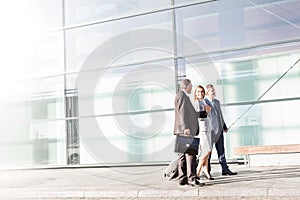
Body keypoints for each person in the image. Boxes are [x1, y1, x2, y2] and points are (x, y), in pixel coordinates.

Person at [174, 79, 204, 187]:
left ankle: (182, 179)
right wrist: (185, 127)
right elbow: (182, 113)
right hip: (185, 130)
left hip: (181, 130)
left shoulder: (182, 96)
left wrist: (203, 113)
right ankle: (192, 179)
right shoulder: (182, 96)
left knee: (182, 155)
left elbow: (190, 114)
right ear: (187, 86)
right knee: (190, 154)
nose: (192, 88)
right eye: (191, 86)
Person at [204, 84, 237, 176]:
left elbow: (220, 116)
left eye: (214, 91)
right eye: (212, 91)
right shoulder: (204, 102)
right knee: (208, 153)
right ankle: (207, 171)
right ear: (207, 93)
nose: (214, 92)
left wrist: (224, 127)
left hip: (219, 131)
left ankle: (225, 169)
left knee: (221, 151)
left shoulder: (217, 102)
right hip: (210, 132)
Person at [193, 85, 214, 180]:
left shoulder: (204, 101)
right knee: (207, 150)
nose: (200, 93)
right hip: (202, 130)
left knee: (207, 151)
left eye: (201, 92)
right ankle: (197, 171)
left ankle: (205, 170)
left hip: (208, 128)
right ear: (195, 93)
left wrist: (207, 111)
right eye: (198, 92)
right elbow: (197, 115)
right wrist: (206, 111)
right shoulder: (197, 102)